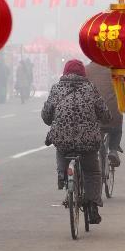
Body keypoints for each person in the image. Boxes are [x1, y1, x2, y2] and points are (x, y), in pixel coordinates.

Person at [41, 60, 111, 224]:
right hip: (87, 141)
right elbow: (104, 113)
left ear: (65, 73)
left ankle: (62, 174)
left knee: (61, 146)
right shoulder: (90, 88)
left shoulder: (57, 89)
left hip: (63, 140)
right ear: (83, 74)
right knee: (93, 172)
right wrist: (106, 119)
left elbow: (46, 116)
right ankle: (92, 205)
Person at [85, 61, 124, 167]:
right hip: (111, 115)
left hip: (91, 115)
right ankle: (113, 150)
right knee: (117, 129)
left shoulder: (86, 69)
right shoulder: (116, 70)